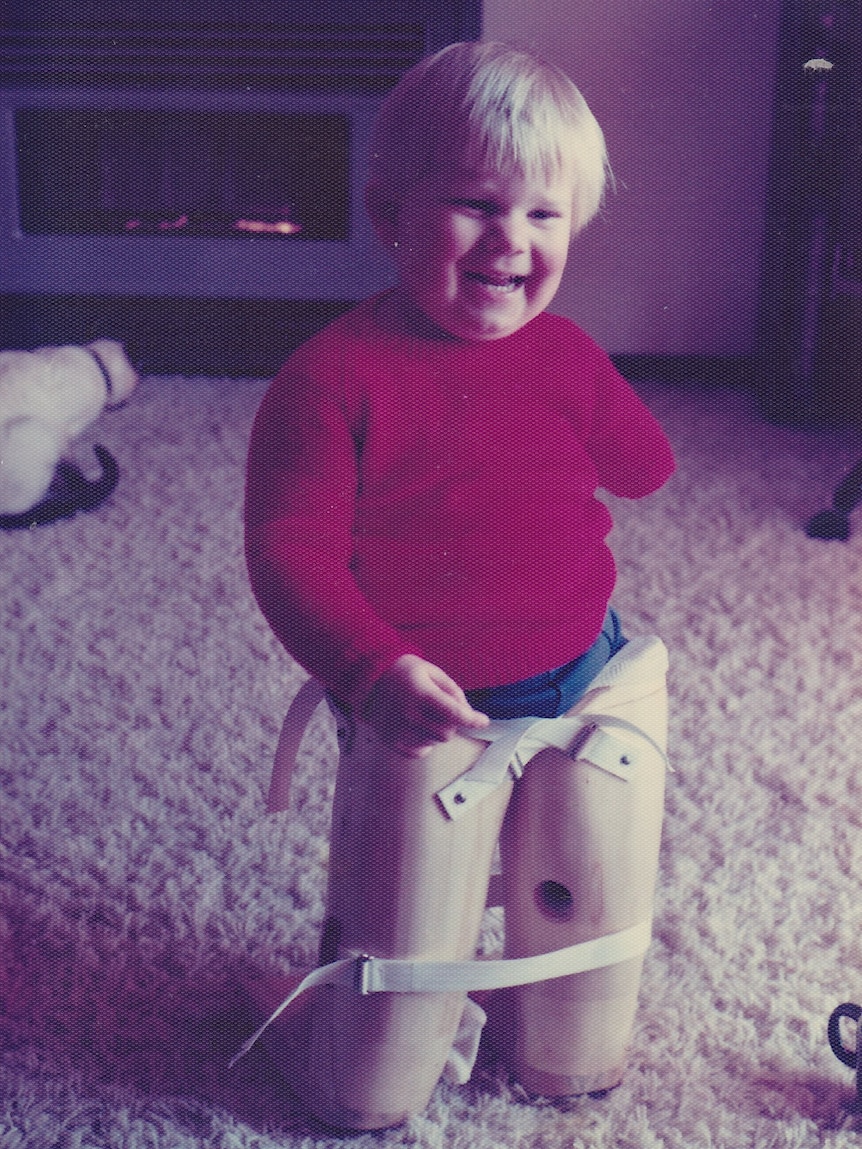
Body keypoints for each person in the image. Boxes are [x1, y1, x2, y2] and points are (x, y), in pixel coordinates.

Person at [244, 39, 675, 761]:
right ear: (389, 215)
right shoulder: (326, 380)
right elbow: (289, 557)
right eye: (478, 204)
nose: (510, 237)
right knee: (412, 873)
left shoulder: (568, 351)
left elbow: (645, 469)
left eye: (544, 214)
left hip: (586, 660)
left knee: (585, 863)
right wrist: (373, 669)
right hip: (423, 701)